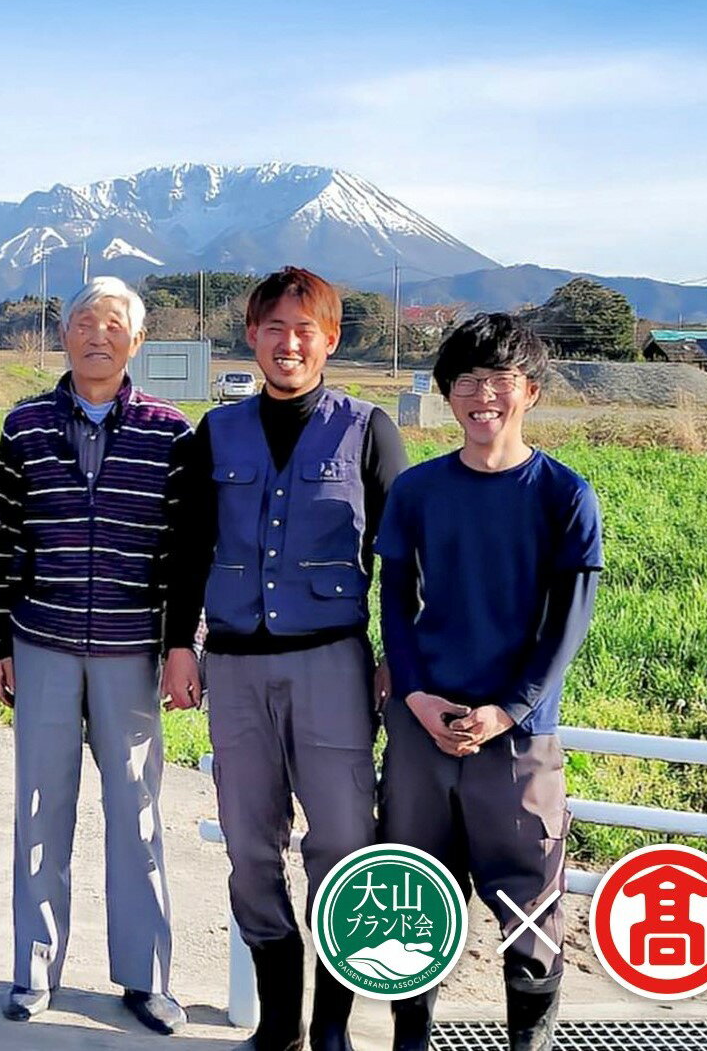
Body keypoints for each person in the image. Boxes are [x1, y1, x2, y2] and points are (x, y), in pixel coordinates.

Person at [163, 266, 406, 1051]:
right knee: (247, 846)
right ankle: (279, 1022)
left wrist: (397, 656)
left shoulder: (368, 429)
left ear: (330, 339)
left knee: (341, 843)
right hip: (232, 667)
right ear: (253, 336)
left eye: (307, 329)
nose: (290, 342)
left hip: (331, 664)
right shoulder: (217, 432)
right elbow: (189, 547)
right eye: (275, 327)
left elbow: (400, 557)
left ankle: (332, 1024)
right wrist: (177, 644)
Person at [376, 314, 602, 1051]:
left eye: (500, 380)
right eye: (467, 380)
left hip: (518, 736)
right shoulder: (416, 491)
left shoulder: (564, 495)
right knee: (413, 893)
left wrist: (508, 709)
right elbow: (395, 599)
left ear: (528, 391)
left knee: (531, 903)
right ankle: (411, 1038)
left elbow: (566, 624)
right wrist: (413, 692)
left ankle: (526, 1041)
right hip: (422, 725)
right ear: (447, 394)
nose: (483, 396)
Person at [0, 277, 192, 1035]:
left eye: (113, 324)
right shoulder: (26, 424)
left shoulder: (171, 432)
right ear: (63, 335)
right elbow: (2, 543)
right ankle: (34, 971)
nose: (96, 335)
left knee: (136, 813)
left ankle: (147, 978)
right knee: (40, 808)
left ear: (137, 341)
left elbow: (180, 553)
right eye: (82, 322)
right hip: (41, 642)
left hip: (131, 651)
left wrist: (179, 647)